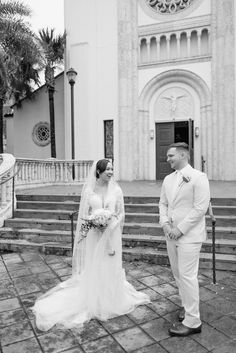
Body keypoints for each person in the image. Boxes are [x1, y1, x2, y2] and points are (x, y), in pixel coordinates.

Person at [32, 159, 150, 331]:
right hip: (95, 235)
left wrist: (111, 225)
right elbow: (85, 214)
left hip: (112, 234)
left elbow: (122, 212)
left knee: (111, 264)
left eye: (112, 169)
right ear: (98, 172)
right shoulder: (88, 190)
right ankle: (95, 298)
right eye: (107, 169)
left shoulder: (117, 190)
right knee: (96, 264)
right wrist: (94, 223)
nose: (110, 172)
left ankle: (111, 297)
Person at [159, 142, 210, 337]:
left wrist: (179, 229)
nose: (168, 159)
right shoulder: (167, 179)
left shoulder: (198, 178)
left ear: (182, 155)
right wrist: (165, 224)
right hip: (170, 233)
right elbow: (162, 203)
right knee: (178, 274)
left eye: (171, 155)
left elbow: (200, 209)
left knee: (188, 276)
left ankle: (193, 321)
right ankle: (187, 306)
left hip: (189, 235)